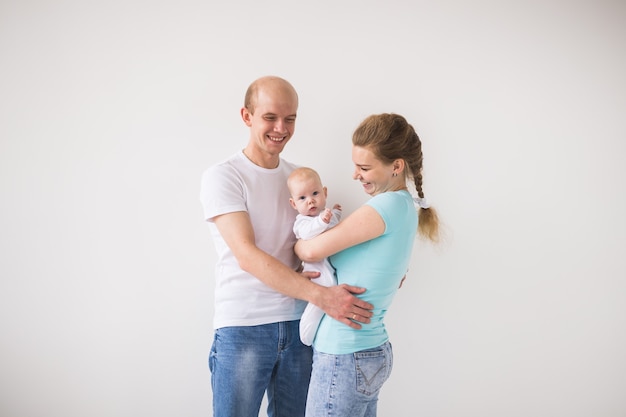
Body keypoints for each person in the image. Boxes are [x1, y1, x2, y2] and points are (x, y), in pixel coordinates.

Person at [199, 75, 374, 417]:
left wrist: (384, 267)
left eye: (290, 118)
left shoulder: (301, 182)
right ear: (246, 116)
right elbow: (248, 256)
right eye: (270, 117)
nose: (281, 127)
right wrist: (323, 297)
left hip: (301, 328)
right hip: (243, 327)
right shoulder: (224, 176)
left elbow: (325, 243)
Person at [295, 113, 440, 417]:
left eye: (364, 168)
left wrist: (298, 244)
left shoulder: (383, 207)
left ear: (396, 167)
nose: (355, 175)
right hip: (366, 351)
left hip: (344, 354)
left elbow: (309, 251)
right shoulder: (403, 207)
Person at [287, 167, 343, 346]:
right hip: (318, 278)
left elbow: (335, 225)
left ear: (324, 193)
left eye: (315, 193)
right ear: (294, 204)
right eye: (302, 198)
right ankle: (306, 338)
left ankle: (324, 335)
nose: (310, 200)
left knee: (332, 310)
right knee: (316, 308)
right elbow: (309, 233)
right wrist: (322, 221)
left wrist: (335, 213)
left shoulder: (325, 215)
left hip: (335, 273)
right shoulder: (302, 222)